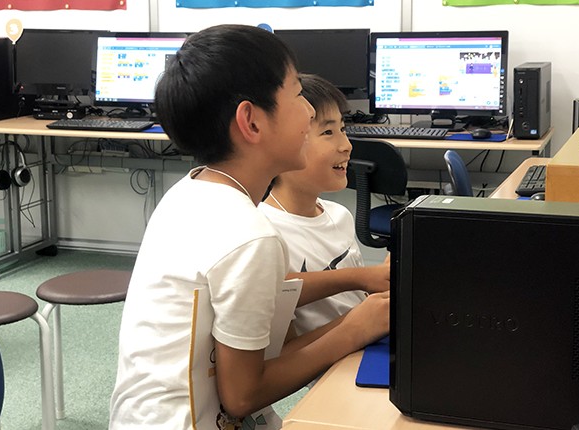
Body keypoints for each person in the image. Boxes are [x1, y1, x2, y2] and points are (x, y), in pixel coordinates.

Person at [108, 25, 389, 430]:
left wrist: (357, 318)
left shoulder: (191, 190)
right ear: (251, 122)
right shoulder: (249, 234)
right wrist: (355, 329)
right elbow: (242, 396)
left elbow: (270, 302)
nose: (309, 112)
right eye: (297, 95)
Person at [259, 73, 390, 338]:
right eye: (327, 132)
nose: (347, 146)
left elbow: (356, 300)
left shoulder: (339, 215)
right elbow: (282, 349)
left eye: (343, 129)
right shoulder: (266, 235)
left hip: (367, 342)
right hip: (334, 357)